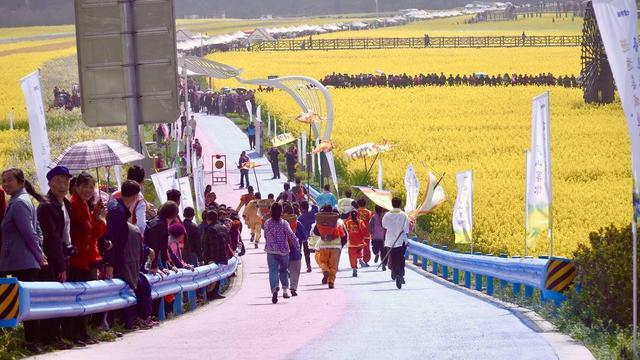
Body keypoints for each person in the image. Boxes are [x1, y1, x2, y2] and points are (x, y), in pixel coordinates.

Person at [0, 168, 47, 353]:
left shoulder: (19, 203)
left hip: (20, 261)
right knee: (28, 303)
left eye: (9, 180)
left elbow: (29, 233)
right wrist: (39, 252)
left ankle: (32, 341)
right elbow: (37, 231)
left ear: (20, 181)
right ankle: (32, 341)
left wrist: (39, 254)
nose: (5, 184)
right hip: (25, 260)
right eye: (3, 181)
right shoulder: (22, 200)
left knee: (25, 303)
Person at [37, 166, 74, 350]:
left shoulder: (66, 204)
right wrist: (60, 266)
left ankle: (57, 335)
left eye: (66, 181)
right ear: (50, 183)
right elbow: (51, 238)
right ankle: (49, 336)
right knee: (51, 298)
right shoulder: (46, 205)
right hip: (50, 260)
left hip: (64, 256)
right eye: (59, 180)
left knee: (59, 298)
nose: (63, 184)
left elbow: (66, 234)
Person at [68, 172, 105, 346]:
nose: (88, 190)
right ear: (76, 186)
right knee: (77, 297)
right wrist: (97, 219)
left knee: (83, 297)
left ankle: (81, 332)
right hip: (76, 258)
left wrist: (97, 216)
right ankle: (76, 332)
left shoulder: (84, 205)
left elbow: (95, 234)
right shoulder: (74, 204)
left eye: (91, 187)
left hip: (85, 258)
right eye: (85, 186)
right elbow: (87, 232)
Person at [105, 180, 143, 330]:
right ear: (134, 197)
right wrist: (110, 264)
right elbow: (112, 240)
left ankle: (117, 323)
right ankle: (113, 324)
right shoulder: (117, 212)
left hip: (116, 259)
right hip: (114, 260)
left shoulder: (115, 207)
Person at [263, 202, 299, 303]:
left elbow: (265, 235)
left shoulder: (267, 223)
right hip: (284, 252)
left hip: (271, 251)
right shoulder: (284, 223)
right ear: (281, 211)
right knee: (283, 270)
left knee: (273, 270)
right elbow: (291, 235)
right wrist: (297, 246)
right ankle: (285, 291)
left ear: (271, 211)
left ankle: (274, 289)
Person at [313, 205, 347, 289]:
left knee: (322, 262)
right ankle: (331, 281)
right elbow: (344, 236)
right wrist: (341, 245)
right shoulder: (339, 221)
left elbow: (316, 232)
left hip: (323, 246)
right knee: (333, 266)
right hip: (336, 246)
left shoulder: (320, 219)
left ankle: (325, 270)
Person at [110, 165, 147, 236]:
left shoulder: (114, 194)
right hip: (130, 237)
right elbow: (141, 225)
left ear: (127, 178)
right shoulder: (139, 199)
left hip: (113, 235)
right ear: (142, 182)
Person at [382, 197, 410, 289]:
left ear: (392, 204)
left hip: (390, 241)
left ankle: (395, 273)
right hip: (401, 240)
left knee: (393, 257)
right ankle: (400, 274)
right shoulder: (404, 215)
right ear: (400, 204)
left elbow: (384, 225)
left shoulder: (387, 215)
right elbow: (406, 229)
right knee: (401, 257)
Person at [201, 211, 229, 300]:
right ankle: (215, 293)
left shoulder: (210, 229)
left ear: (207, 219)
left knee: (211, 277)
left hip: (212, 257)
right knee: (217, 276)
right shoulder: (223, 227)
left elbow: (213, 245)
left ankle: (210, 294)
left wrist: (212, 259)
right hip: (223, 256)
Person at [282, 204, 307, 297]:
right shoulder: (297, 223)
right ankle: (293, 288)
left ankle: (285, 289)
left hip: (283, 252)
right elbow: (304, 237)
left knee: (284, 270)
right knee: (295, 271)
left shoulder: (281, 223)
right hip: (296, 252)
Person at [345, 210, 368, 277]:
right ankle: (360, 258)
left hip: (351, 242)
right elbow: (364, 229)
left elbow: (346, 230)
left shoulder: (348, 222)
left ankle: (354, 268)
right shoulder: (361, 222)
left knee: (352, 256)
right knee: (359, 251)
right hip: (360, 241)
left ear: (350, 216)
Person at [297, 200, 318, 273]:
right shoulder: (312, 214)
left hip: (304, 237)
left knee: (305, 252)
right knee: (309, 251)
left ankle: (308, 266)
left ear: (301, 208)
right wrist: (310, 203)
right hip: (313, 236)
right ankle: (309, 265)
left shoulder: (299, 218)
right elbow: (315, 207)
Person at [369, 205, 387, 270]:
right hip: (383, 237)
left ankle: (376, 253)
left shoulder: (373, 217)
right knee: (384, 251)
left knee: (375, 248)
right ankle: (383, 264)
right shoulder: (385, 217)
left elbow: (370, 225)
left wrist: (371, 232)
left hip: (375, 237)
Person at [356, 197, 372, 267]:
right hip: (366, 232)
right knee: (366, 247)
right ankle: (366, 261)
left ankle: (360, 259)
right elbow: (370, 222)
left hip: (358, 232)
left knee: (358, 247)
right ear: (365, 204)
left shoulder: (356, 212)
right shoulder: (369, 212)